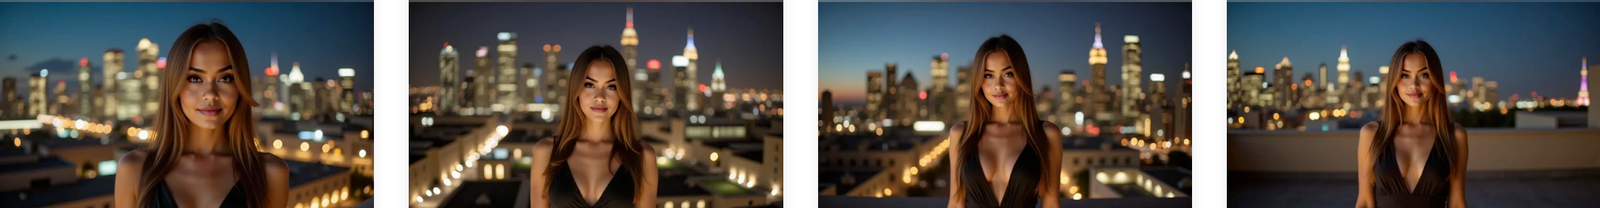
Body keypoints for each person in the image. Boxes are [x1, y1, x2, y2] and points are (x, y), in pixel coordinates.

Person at [113, 21, 290, 208]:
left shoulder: (270, 174)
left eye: (225, 78)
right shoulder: (134, 170)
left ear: (240, 86)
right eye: (195, 78)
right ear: (175, 86)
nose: (211, 94)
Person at [529, 45, 659, 208]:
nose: (600, 97)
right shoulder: (546, 152)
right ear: (576, 89)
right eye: (590, 85)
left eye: (611, 86)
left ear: (622, 94)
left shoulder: (642, 156)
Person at [946, 35, 1063, 208]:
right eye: (988, 75)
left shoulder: (1046, 134)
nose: (998, 85)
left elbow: (1051, 203)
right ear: (978, 81)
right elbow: (956, 203)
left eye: (1008, 74)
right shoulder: (961, 134)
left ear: (1021, 76)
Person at [1355, 40, 1469, 208]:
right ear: (1394, 81)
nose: (1414, 85)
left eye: (1424, 75)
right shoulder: (1371, 134)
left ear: (1435, 79)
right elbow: (1365, 201)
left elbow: (1457, 203)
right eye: (1404, 75)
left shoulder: (1454, 136)